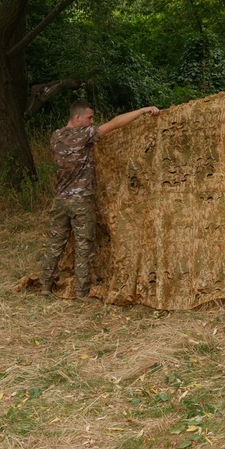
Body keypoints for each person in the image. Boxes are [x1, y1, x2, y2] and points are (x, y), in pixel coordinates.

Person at [40, 100, 160, 300]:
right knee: (84, 246)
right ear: (77, 118)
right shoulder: (84, 135)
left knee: (55, 244)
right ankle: (81, 292)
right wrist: (142, 110)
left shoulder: (55, 136)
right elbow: (116, 123)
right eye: (89, 117)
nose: (92, 121)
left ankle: (45, 285)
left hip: (60, 200)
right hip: (81, 201)